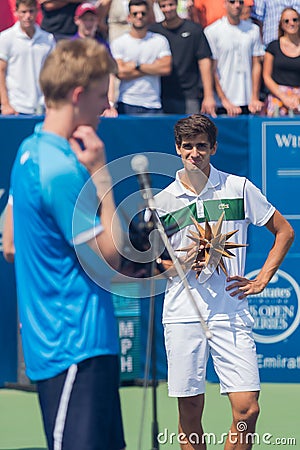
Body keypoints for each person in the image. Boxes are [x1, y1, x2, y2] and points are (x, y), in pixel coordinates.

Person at [6, 38, 125, 450]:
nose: (107, 108)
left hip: (62, 345)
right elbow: (113, 253)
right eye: (100, 97)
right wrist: (102, 172)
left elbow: (10, 245)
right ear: (77, 95)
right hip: (76, 345)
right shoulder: (61, 169)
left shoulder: (29, 150)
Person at [154, 114, 294, 450]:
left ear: (213, 148)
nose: (194, 153)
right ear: (178, 149)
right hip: (182, 315)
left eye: (202, 146)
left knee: (247, 409)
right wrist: (183, 262)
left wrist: (262, 278)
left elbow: (284, 231)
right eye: (187, 147)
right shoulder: (162, 203)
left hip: (231, 315)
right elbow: (157, 269)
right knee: (190, 410)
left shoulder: (238, 188)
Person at [149, 0, 216, 115]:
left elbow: (204, 61)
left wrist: (208, 96)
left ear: (177, 5)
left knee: (191, 131)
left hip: (190, 96)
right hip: (161, 96)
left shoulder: (194, 30)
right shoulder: (154, 32)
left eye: (171, 5)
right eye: (163, 6)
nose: (168, 9)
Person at [204, 0, 265, 116]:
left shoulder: (253, 30)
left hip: (249, 102)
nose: (237, 5)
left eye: (240, 2)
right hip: (222, 104)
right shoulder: (212, 31)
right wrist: (224, 100)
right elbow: (212, 69)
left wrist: (254, 97)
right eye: (232, 2)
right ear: (225, 4)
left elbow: (256, 64)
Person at [111, 0, 172, 114]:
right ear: (129, 17)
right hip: (127, 102)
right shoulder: (119, 42)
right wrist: (152, 67)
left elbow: (165, 68)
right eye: (135, 14)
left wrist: (137, 66)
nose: (139, 16)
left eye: (143, 13)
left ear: (148, 16)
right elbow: (120, 72)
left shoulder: (159, 40)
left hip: (154, 104)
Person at [0, 0, 55, 115]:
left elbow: (53, 74)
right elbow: (1, 71)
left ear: (37, 12)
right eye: (23, 12)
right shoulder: (5, 38)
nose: (27, 16)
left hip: (43, 108)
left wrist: (52, 102)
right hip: (15, 109)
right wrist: (5, 104)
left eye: (31, 11)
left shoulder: (48, 39)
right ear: (15, 12)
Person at [72, 2, 118, 117]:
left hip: (98, 104)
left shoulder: (103, 45)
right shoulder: (71, 45)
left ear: (97, 21)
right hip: (76, 103)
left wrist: (110, 104)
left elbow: (110, 75)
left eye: (91, 19)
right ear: (77, 20)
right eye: (85, 20)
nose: (88, 23)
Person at [262, 7, 300, 117]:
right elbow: (266, 76)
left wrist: (297, 98)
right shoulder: (273, 46)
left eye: (295, 20)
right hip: (277, 96)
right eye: (286, 21)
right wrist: (283, 97)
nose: (291, 23)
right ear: (281, 25)